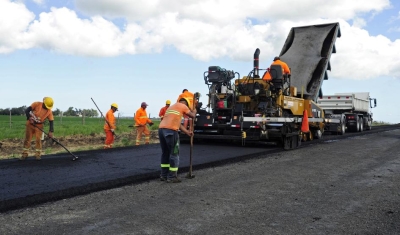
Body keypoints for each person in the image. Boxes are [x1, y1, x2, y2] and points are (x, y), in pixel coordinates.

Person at [158, 98, 196, 183]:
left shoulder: (171, 107)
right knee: (174, 153)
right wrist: (194, 110)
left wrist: (187, 132)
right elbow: (192, 116)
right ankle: (172, 177)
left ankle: (163, 175)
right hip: (171, 131)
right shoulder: (183, 106)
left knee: (165, 153)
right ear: (186, 104)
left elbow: (177, 123)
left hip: (161, 130)